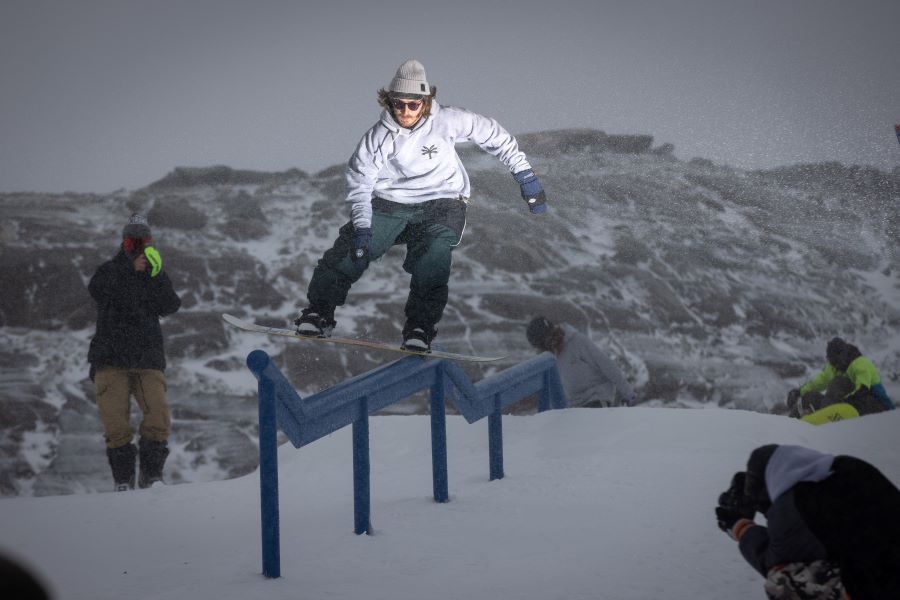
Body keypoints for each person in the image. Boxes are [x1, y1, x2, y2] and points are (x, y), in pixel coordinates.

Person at [294, 59, 547, 351]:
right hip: (391, 202)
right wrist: (363, 229)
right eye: (398, 104)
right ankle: (318, 312)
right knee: (352, 248)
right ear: (388, 101)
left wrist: (525, 176)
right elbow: (359, 186)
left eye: (412, 105)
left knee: (434, 256)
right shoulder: (377, 138)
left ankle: (419, 328)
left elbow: (495, 136)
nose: (405, 112)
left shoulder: (450, 120)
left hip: (443, 201)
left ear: (425, 102)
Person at [715, 444, 900, 599]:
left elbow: (772, 561)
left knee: (781, 581)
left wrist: (740, 526)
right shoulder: (845, 466)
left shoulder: (791, 509)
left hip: (884, 588)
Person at [88, 213, 181, 491]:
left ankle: (151, 476)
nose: (139, 247)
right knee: (115, 424)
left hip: (147, 358)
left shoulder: (153, 274)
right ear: (123, 243)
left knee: (158, 417)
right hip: (110, 357)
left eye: (144, 241)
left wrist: (158, 276)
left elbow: (170, 305)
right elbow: (99, 290)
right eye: (133, 242)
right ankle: (123, 480)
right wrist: (130, 269)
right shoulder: (109, 271)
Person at [525, 316, 636, 407]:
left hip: (596, 398)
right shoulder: (549, 357)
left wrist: (628, 393)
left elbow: (606, 365)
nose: (545, 348)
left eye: (546, 342)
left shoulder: (577, 342)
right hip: (574, 406)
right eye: (540, 347)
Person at [786, 337, 894, 418]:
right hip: (846, 405)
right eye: (830, 360)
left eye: (834, 360)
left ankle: (824, 417)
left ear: (842, 355)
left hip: (875, 405)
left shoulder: (861, 364)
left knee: (838, 382)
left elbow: (862, 389)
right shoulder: (833, 367)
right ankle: (791, 423)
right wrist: (800, 392)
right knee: (811, 396)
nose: (833, 364)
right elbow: (818, 382)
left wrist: (842, 403)